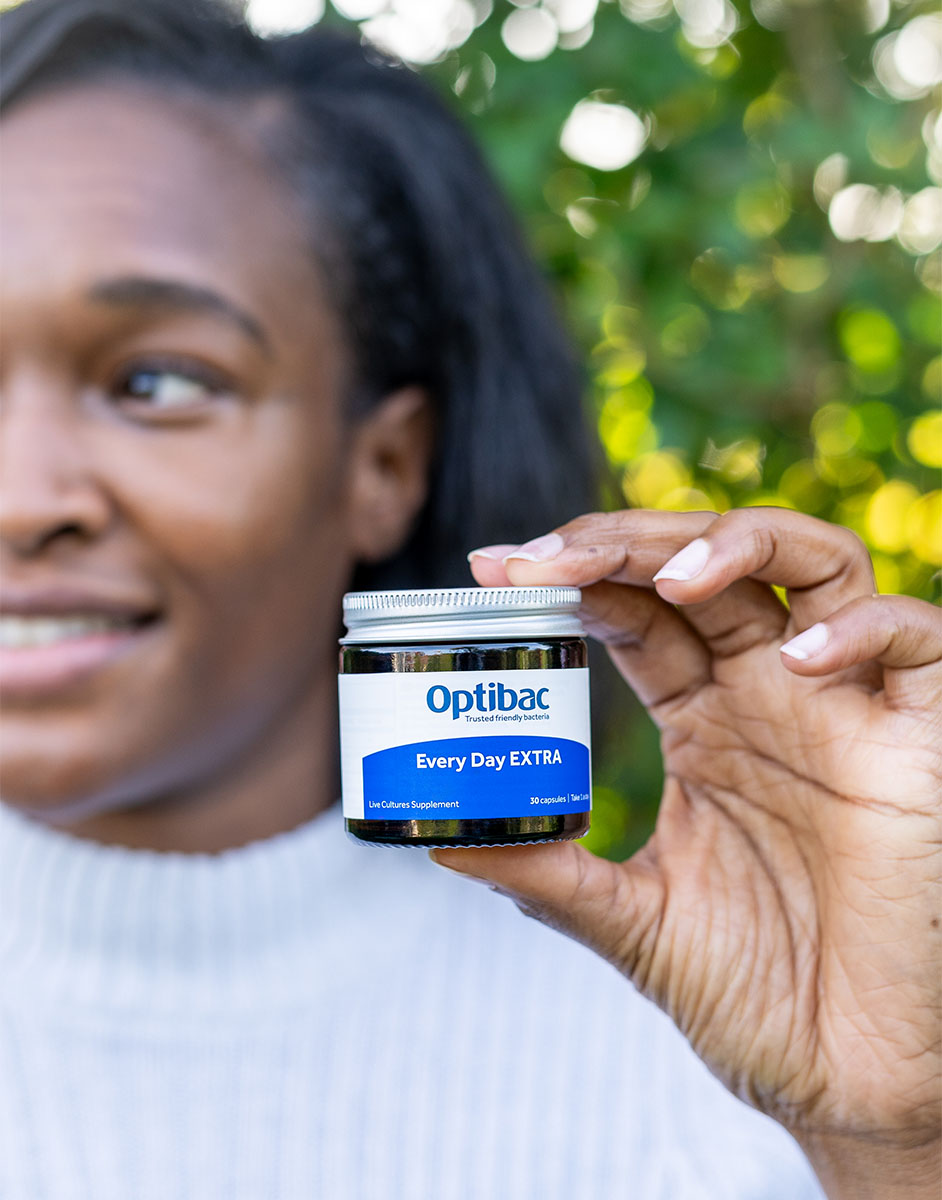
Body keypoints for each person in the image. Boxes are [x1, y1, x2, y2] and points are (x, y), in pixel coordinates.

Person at [0, 2, 937, 1198]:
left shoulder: (727, 1079)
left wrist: (893, 1145)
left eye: (158, 382)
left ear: (385, 466)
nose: (20, 498)